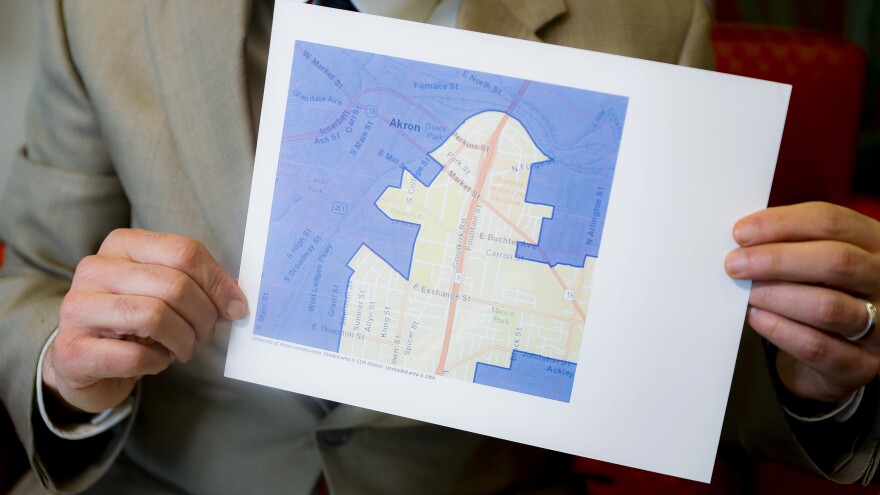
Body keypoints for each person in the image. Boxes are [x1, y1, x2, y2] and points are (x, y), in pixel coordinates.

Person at [1, 0, 878, 493]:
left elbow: (681, 357)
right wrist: (68, 372)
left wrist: (815, 379)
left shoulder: (649, 18)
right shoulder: (101, 9)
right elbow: (36, 275)